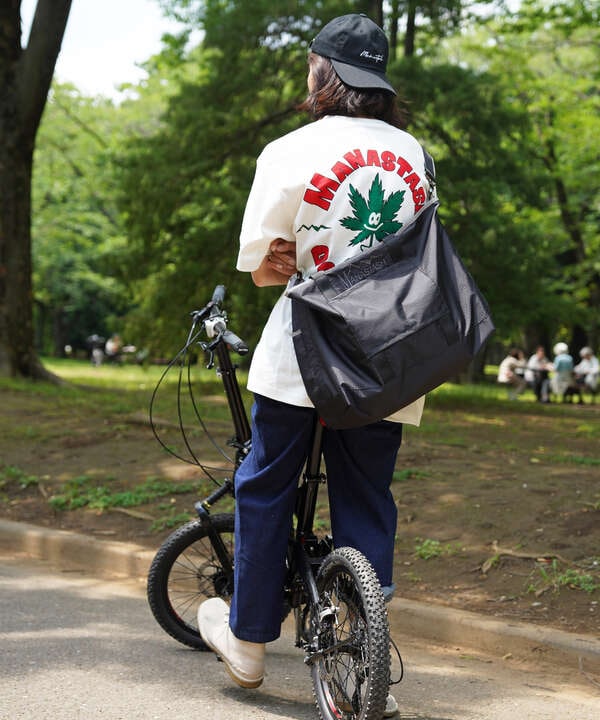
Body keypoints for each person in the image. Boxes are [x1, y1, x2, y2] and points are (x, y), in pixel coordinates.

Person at [197, 14, 434, 716]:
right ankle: (366, 663)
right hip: (390, 354)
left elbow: (264, 268)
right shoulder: (412, 152)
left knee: (267, 483)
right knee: (367, 495)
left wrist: (293, 259)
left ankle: (247, 643)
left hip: (305, 351)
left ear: (322, 74)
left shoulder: (290, 150)